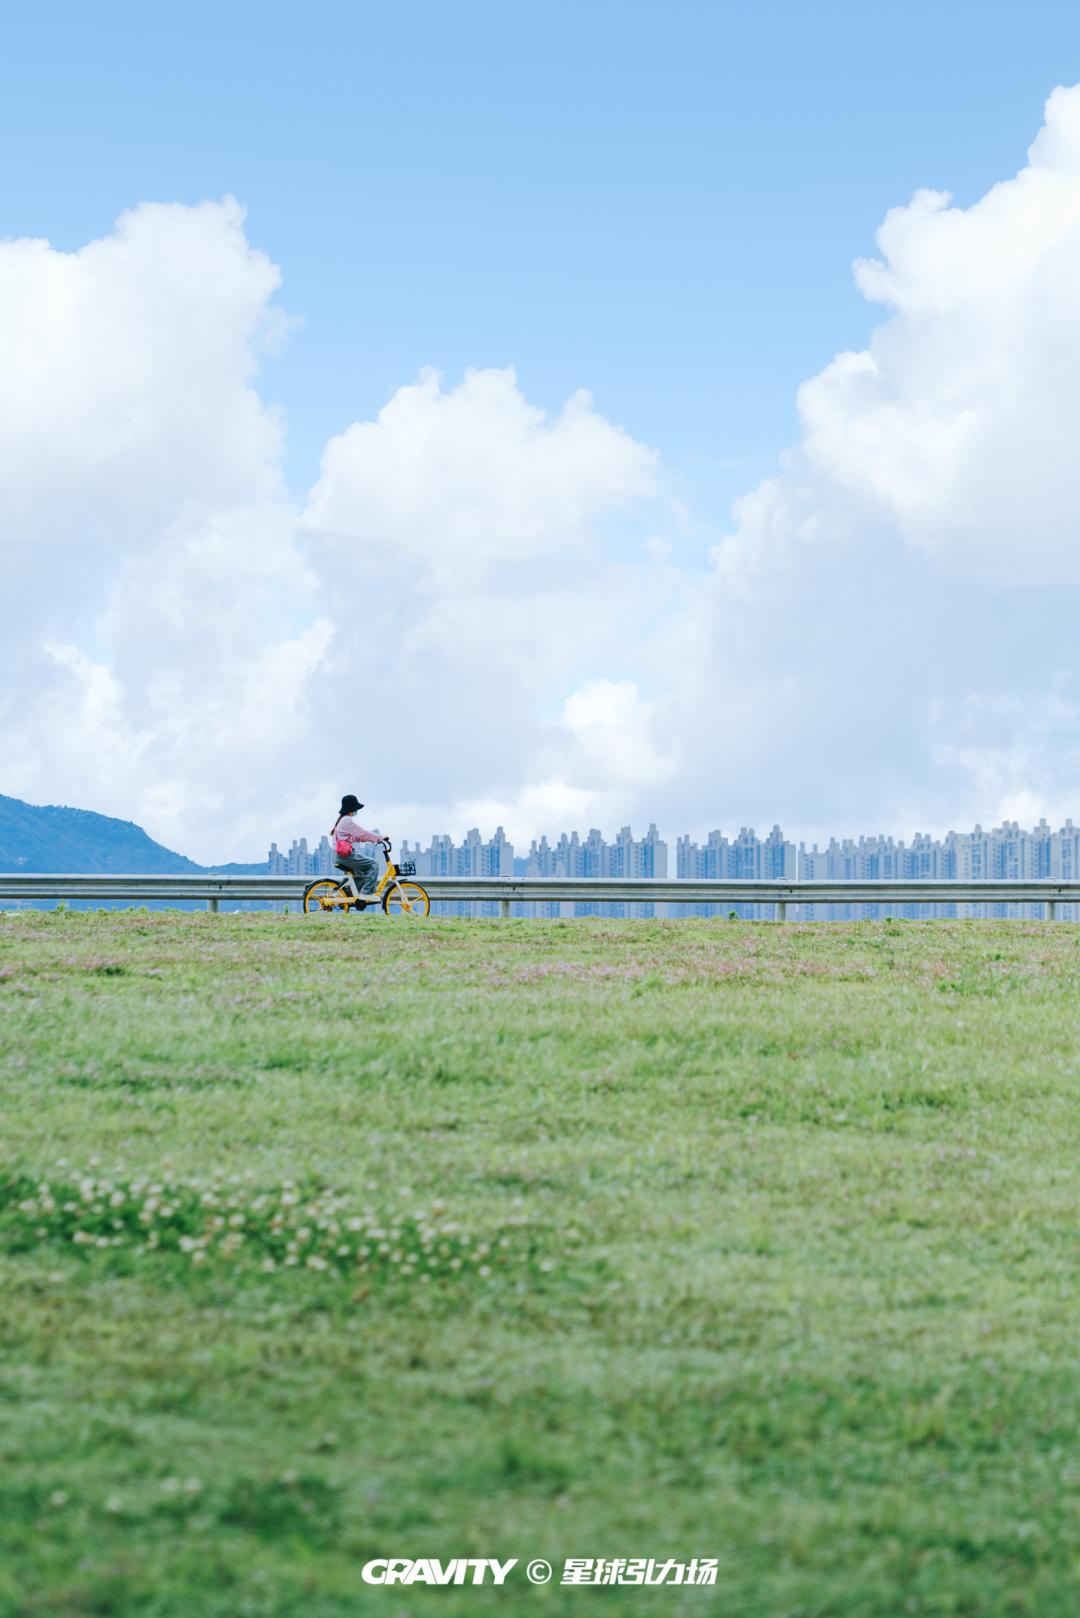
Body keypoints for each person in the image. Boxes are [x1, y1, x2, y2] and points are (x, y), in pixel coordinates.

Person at [330, 794, 385, 902]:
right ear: (351, 808)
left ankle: (345, 895)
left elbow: (355, 837)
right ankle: (367, 894)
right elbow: (362, 833)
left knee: (362, 875)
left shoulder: (341, 820)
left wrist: (368, 839)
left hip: (339, 856)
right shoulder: (346, 820)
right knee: (373, 865)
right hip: (345, 856)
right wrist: (379, 838)